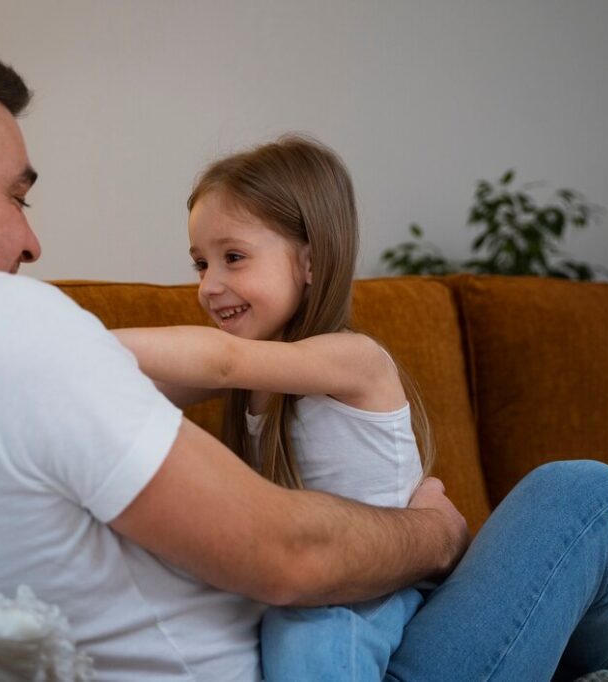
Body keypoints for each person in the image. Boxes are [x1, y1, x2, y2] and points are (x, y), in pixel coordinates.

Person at [0, 19, 608, 681]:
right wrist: (436, 533)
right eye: (19, 195)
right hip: (337, 643)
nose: (32, 242)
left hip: (337, 630)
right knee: (586, 495)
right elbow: (290, 557)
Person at [113, 136, 435, 679]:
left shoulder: (354, 360)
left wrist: (74, 339)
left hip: (379, 589)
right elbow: (137, 392)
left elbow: (221, 362)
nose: (208, 286)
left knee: (307, 636)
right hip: (318, 581)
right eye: (200, 264)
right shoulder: (256, 376)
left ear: (310, 262)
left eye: (233, 258)